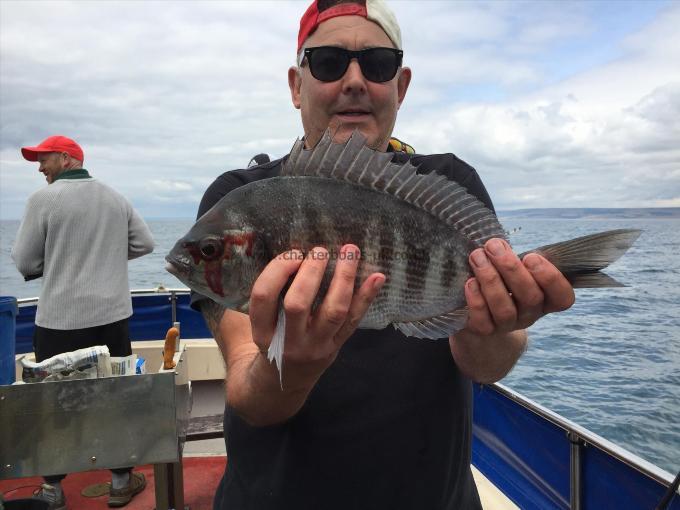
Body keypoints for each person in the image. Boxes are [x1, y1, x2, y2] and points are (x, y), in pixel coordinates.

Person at [193, 1, 576, 508]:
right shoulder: (238, 200)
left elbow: (486, 366)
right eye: (328, 62)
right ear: (295, 83)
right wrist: (290, 369)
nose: (355, 81)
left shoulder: (448, 183)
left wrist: (493, 323)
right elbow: (249, 391)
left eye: (378, 64)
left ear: (401, 85)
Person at [11, 135, 154, 509]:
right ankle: (121, 482)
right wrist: (105, 256)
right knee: (114, 397)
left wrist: (60, 259)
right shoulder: (114, 197)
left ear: (66, 158)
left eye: (44, 159)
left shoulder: (42, 200)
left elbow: (25, 263)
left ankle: (53, 490)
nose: (40, 167)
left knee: (53, 403)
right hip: (112, 318)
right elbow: (145, 244)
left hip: (59, 320)